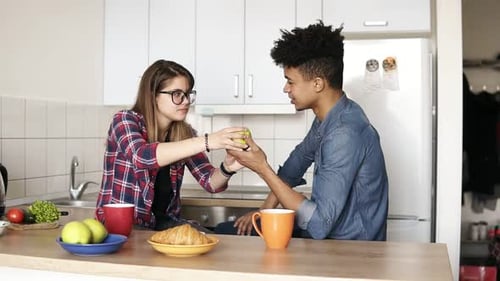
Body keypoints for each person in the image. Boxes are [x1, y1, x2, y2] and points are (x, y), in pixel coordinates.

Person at [215, 21, 389, 240]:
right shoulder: (329, 117)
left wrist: (261, 168)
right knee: (228, 232)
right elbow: (292, 168)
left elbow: (318, 225)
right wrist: (263, 213)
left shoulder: (344, 133)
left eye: (290, 82)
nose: (285, 88)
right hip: (329, 244)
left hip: (351, 253)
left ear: (317, 84)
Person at [95, 59, 249, 231]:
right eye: (177, 94)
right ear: (153, 95)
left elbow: (210, 182)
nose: (186, 101)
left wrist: (228, 168)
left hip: (163, 225)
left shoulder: (184, 133)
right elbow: (141, 156)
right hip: (123, 227)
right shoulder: (124, 120)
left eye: (187, 94)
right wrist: (208, 141)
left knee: (212, 242)